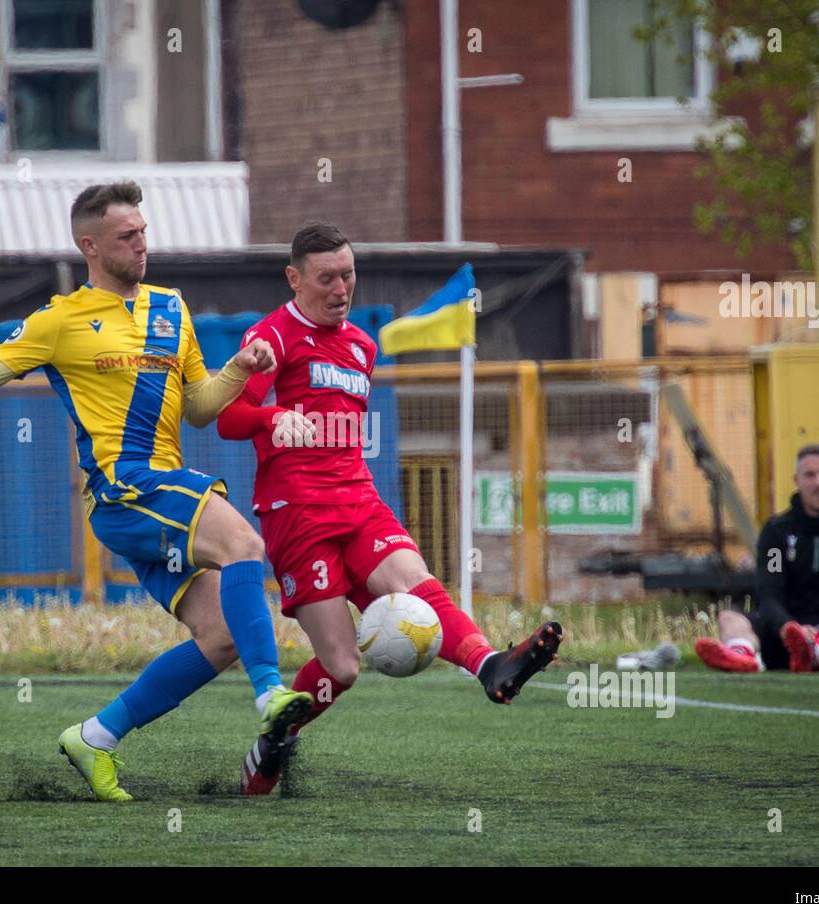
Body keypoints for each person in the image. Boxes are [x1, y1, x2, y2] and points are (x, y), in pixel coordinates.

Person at [0, 180, 312, 801]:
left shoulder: (171, 308)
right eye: (126, 237)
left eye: (143, 232)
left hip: (157, 495)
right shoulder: (59, 320)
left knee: (220, 636)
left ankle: (96, 737)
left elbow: (200, 409)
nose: (142, 245)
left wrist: (239, 371)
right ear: (92, 246)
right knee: (243, 541)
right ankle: (271, 694)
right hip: (124, 486)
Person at [216, 221, 563, 795]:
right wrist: (274, 417)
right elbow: (228, 420)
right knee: (343, 668)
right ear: (294, 279)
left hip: (358, 499)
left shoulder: (361, 345)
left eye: (348, 275)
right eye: (326, 278)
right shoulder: (272, 338)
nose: (340, 288)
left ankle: (488, 665)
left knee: (414, 581)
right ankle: (275, 743)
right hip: (296, 514)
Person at [696, 444, 819, 673]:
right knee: (730, 618)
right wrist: (788, 627)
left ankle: (813, 653)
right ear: (796, 480)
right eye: (810, 475)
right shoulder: (775, 533)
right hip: (787, 632)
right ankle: (741, 656)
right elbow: (768, 594)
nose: (818, 483)